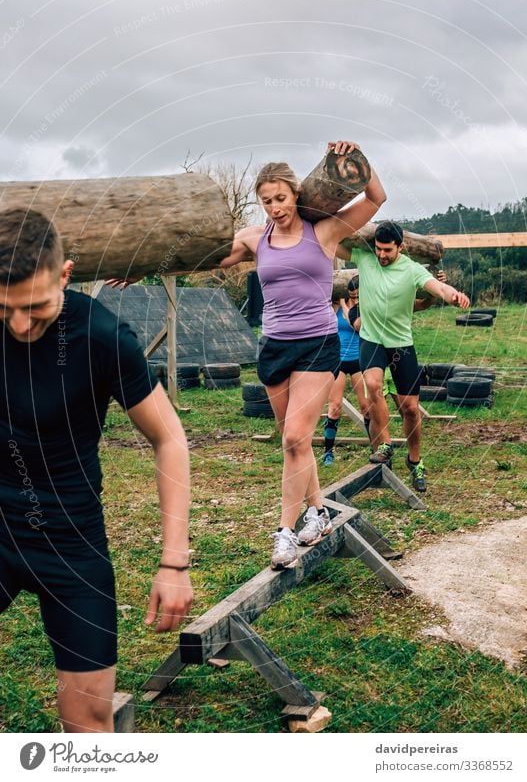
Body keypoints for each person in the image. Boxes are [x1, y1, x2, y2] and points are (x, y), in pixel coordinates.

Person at [0, 209, 193, 733]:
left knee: (86, 720)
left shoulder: (101, 336)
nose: (19, 325)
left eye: (35, 307)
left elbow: (169, 439)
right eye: (5, 309)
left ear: (66, 274)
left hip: (70, 538)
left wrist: (174, 563)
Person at [219, 141, 387, 569]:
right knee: (295, 443)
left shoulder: (325, 230)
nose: (274, 208)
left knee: (295, 438)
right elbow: (209, 259)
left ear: (296, 194)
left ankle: (284, 533)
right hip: (274, 347)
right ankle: (318, 511)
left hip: (317, 344)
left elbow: (375, 198)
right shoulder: (255, 238)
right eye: (266, 201)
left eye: (281, 198)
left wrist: (357, 159)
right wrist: (143, 266)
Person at [352, 221, 470, 492]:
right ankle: (384, 446)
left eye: (388, 251)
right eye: (379, 249)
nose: (382, 255)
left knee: (410, 409)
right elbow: (332, 239)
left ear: (401, 247)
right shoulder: (364, 257)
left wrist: (454, 295)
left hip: (401, 344)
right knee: (373, 386)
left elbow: (437, 288)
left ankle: (415, 460)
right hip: (372, 339)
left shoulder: (411, 269)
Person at [323, 277, 369, 465]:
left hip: (359, 359)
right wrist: (340, 301)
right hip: (338, 360)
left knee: (367, 408)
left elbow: (355, 326)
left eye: (358, 295)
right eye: (352, 295)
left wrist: (346, 305)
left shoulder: (364, 306)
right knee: (334, 408)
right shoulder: (335, 305)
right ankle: (328, 451)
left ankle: (377, 448)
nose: (355, 297)